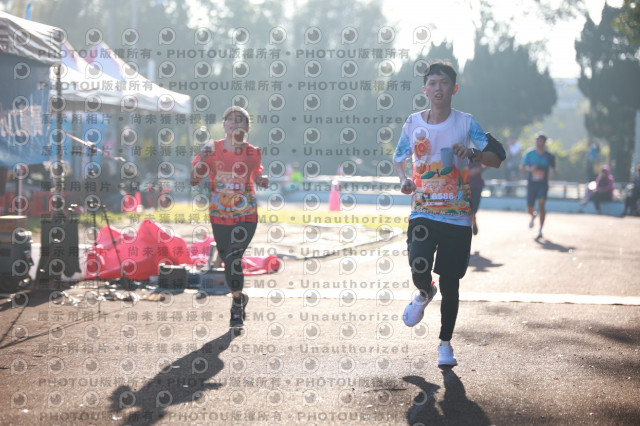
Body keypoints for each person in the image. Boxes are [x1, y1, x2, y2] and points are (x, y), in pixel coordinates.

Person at [393, 60, 503, 366]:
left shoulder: (466, 123)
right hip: (423, 211)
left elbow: (497, 158)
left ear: (453, 89)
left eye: (444, 83)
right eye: (433, 83)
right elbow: (399, 156)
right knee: (418, 264)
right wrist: (403, 180)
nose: (438, 88)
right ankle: (424, 291)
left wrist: (473, 153)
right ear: (425, 90)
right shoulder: (413, 123)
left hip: (457, 215)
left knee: (451, 283)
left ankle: (445, 345)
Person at [190, 106, 269, 327]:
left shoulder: (253, 152)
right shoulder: (211, 149)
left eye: (240, 120)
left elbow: (256, 172)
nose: (235, 123)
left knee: (234, 257)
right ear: (224, 125)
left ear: (247, 128)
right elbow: (194, 179)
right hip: (219, 214)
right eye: (231, 120)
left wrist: (261, 179)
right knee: (228, 261)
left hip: (245, 213)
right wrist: (203, 160)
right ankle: (240, 297)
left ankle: (235, 305)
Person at [520, 132, 556, 239]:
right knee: (529, 208)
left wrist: (552, 172)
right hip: (531, 184)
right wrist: (530, 170)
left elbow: (554, 169)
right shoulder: (529, 153)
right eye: (537, 141)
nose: (538, 143)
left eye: (540, 141)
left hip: (543, 185)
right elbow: (521, 167)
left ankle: (540, 229)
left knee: (541, 206)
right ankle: (533, 215)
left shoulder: (549, 156)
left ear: (544, 143)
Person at [468, 160, 485, 235]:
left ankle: (473, 220)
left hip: (477, 186)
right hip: (469, 186)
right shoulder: (465, 159)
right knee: (471, 208)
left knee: (474, 208)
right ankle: (473, 221)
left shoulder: (477, 157)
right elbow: (471, 172)